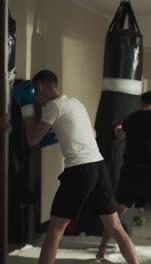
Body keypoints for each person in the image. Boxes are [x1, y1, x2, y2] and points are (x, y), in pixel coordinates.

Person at [12, 70, 139, 264]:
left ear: (39, 88)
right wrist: (62, 134)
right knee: (115, 227)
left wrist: (27, 107)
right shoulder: (75, 102)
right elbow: (93, 133)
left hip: (79, 169)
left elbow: (32, 139)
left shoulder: (52, 106)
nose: (37, 100)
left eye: (36, 96)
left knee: (54, 229)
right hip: (98, 166)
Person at [96, 91, 151, 264]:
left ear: (141, 104)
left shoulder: (132, 117)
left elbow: (120, 136)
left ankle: (101, 250)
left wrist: (117, 128)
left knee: (115, 213)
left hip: (131, 172)